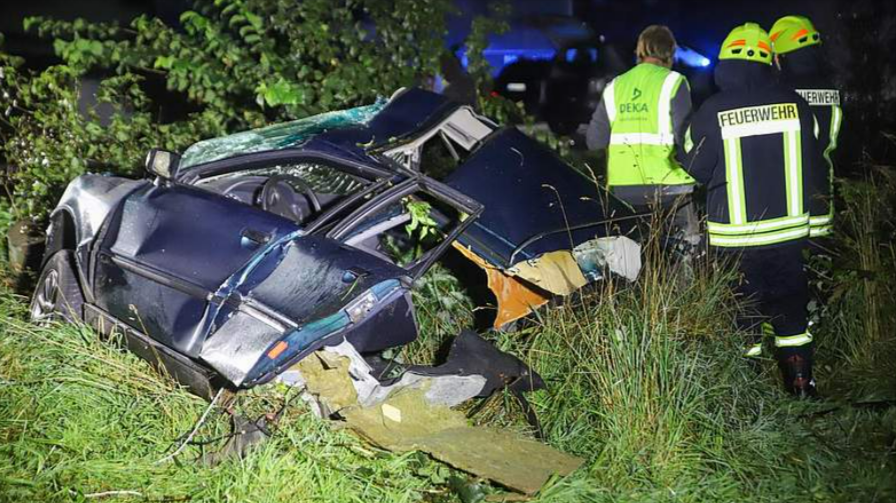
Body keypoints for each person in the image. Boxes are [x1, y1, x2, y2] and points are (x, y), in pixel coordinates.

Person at [678, 23, 820, 398]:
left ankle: (750, 392)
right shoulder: (796, 104)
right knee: (791, 310)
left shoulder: (712, 110)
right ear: (770, 60)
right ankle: (801, 385)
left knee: (744, 312)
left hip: (737, 238)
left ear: (725, 64)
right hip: (789, 234)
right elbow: (815, 160)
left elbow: (693, 165)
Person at [587, 25, 698, 247]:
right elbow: (685, 137)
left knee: (631, 262)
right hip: (671, 189)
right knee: (681, 255)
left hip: (625, 191)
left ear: (640, 51)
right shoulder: (674, 82)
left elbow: (594, 140)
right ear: (671, 52)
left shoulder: (615, 86)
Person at [770, 15, 843, 239]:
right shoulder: (834, 90)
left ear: (782, 56)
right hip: (823, 198)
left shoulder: (779, 92)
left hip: (786, 208)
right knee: (822, 265)